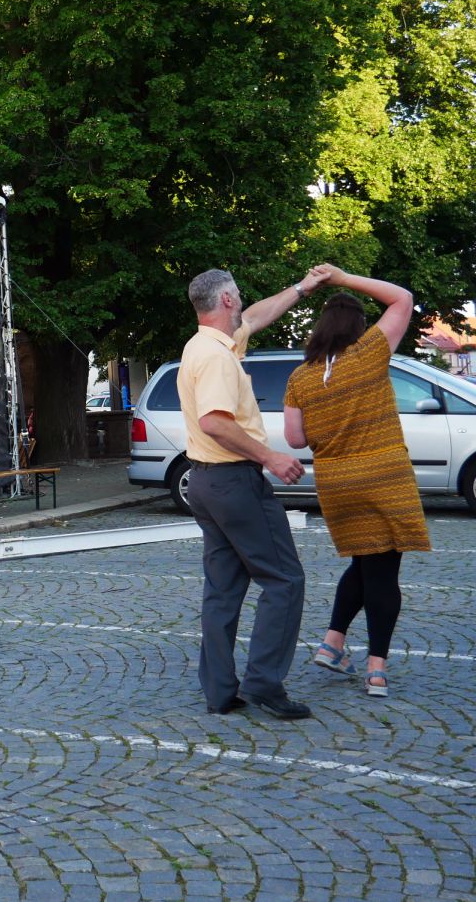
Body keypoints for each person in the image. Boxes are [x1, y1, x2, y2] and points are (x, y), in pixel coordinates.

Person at [181, 266, 327, 719]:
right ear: (226, 300)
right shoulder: (217, 358)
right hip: (234, 483)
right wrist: (270, 457)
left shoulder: (204, 344)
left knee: (222, 590)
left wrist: (301, 288)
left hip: (205, 483)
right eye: (238, 295)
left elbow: (258, 316)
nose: (243, 301)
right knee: (285, 580)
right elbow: (214, 421)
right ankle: (264, 683)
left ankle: (220, 691)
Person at [283, 266, 429, 699]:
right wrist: (344, 278)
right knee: (384, 573)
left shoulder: (300, 377)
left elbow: (295, 439)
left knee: (365, 563)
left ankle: (332, 644)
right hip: (384, 477)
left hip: (337, 484)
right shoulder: (370, 351)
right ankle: (376, 670)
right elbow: (402, 298)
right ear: (358, 327)